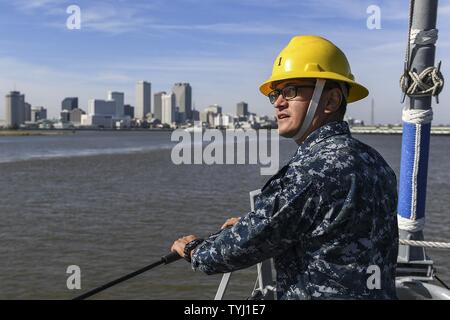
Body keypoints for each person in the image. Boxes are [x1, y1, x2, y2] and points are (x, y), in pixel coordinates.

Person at [171, 35, 398, 300]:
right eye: (275, 94)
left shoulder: (312, 170)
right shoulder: (375, 162)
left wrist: (194, 249)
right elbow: (324, 225)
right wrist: (252, 222)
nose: (278, 102)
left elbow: (237, 249)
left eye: (290, 91)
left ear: (331, 101)